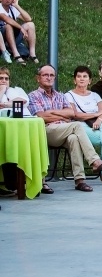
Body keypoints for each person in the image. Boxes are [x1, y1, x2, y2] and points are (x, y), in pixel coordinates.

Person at [28, 65, 102, 192]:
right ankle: (95, 161)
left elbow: (71, 114)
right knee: (77, 125)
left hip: (63, 130)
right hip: (45, 131)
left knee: (73, 138)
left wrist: (51, 112)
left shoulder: (60, 95)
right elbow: (41, 116)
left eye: (51, 75)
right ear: (38, 78)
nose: (49, 77)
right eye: (45, 75)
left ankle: (79, 180)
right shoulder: (33, 96)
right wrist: (60, 115)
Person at [65, 66, 102, 186]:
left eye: (85, 76)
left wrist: (99, 120)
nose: (81, 79)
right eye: (79, 76)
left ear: (89, 80)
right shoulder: (69, 95)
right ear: (74, 80)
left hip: (97, 126)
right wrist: (95, 114)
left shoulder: (95, 95)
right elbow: (75, 115)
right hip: (80, 127)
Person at [0, 67, 52, 195]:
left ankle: (32, 181)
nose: (4, 81)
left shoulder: (15, 90)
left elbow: (22, 101)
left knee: (23, 148)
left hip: (23, 126)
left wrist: (5, 103)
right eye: (1, 78)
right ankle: (9, 184)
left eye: (6, 79)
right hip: (4, 128)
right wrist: (1, 92)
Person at [0, 0, 38, 65]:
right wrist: (21, 28)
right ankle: (16, 55)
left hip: (13, 36)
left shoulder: (12, 8)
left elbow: (28, 19)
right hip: (2, 39)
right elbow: (7, 20)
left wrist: (17, 6)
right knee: (8, 26)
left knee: (30, 25)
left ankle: (32, 54)